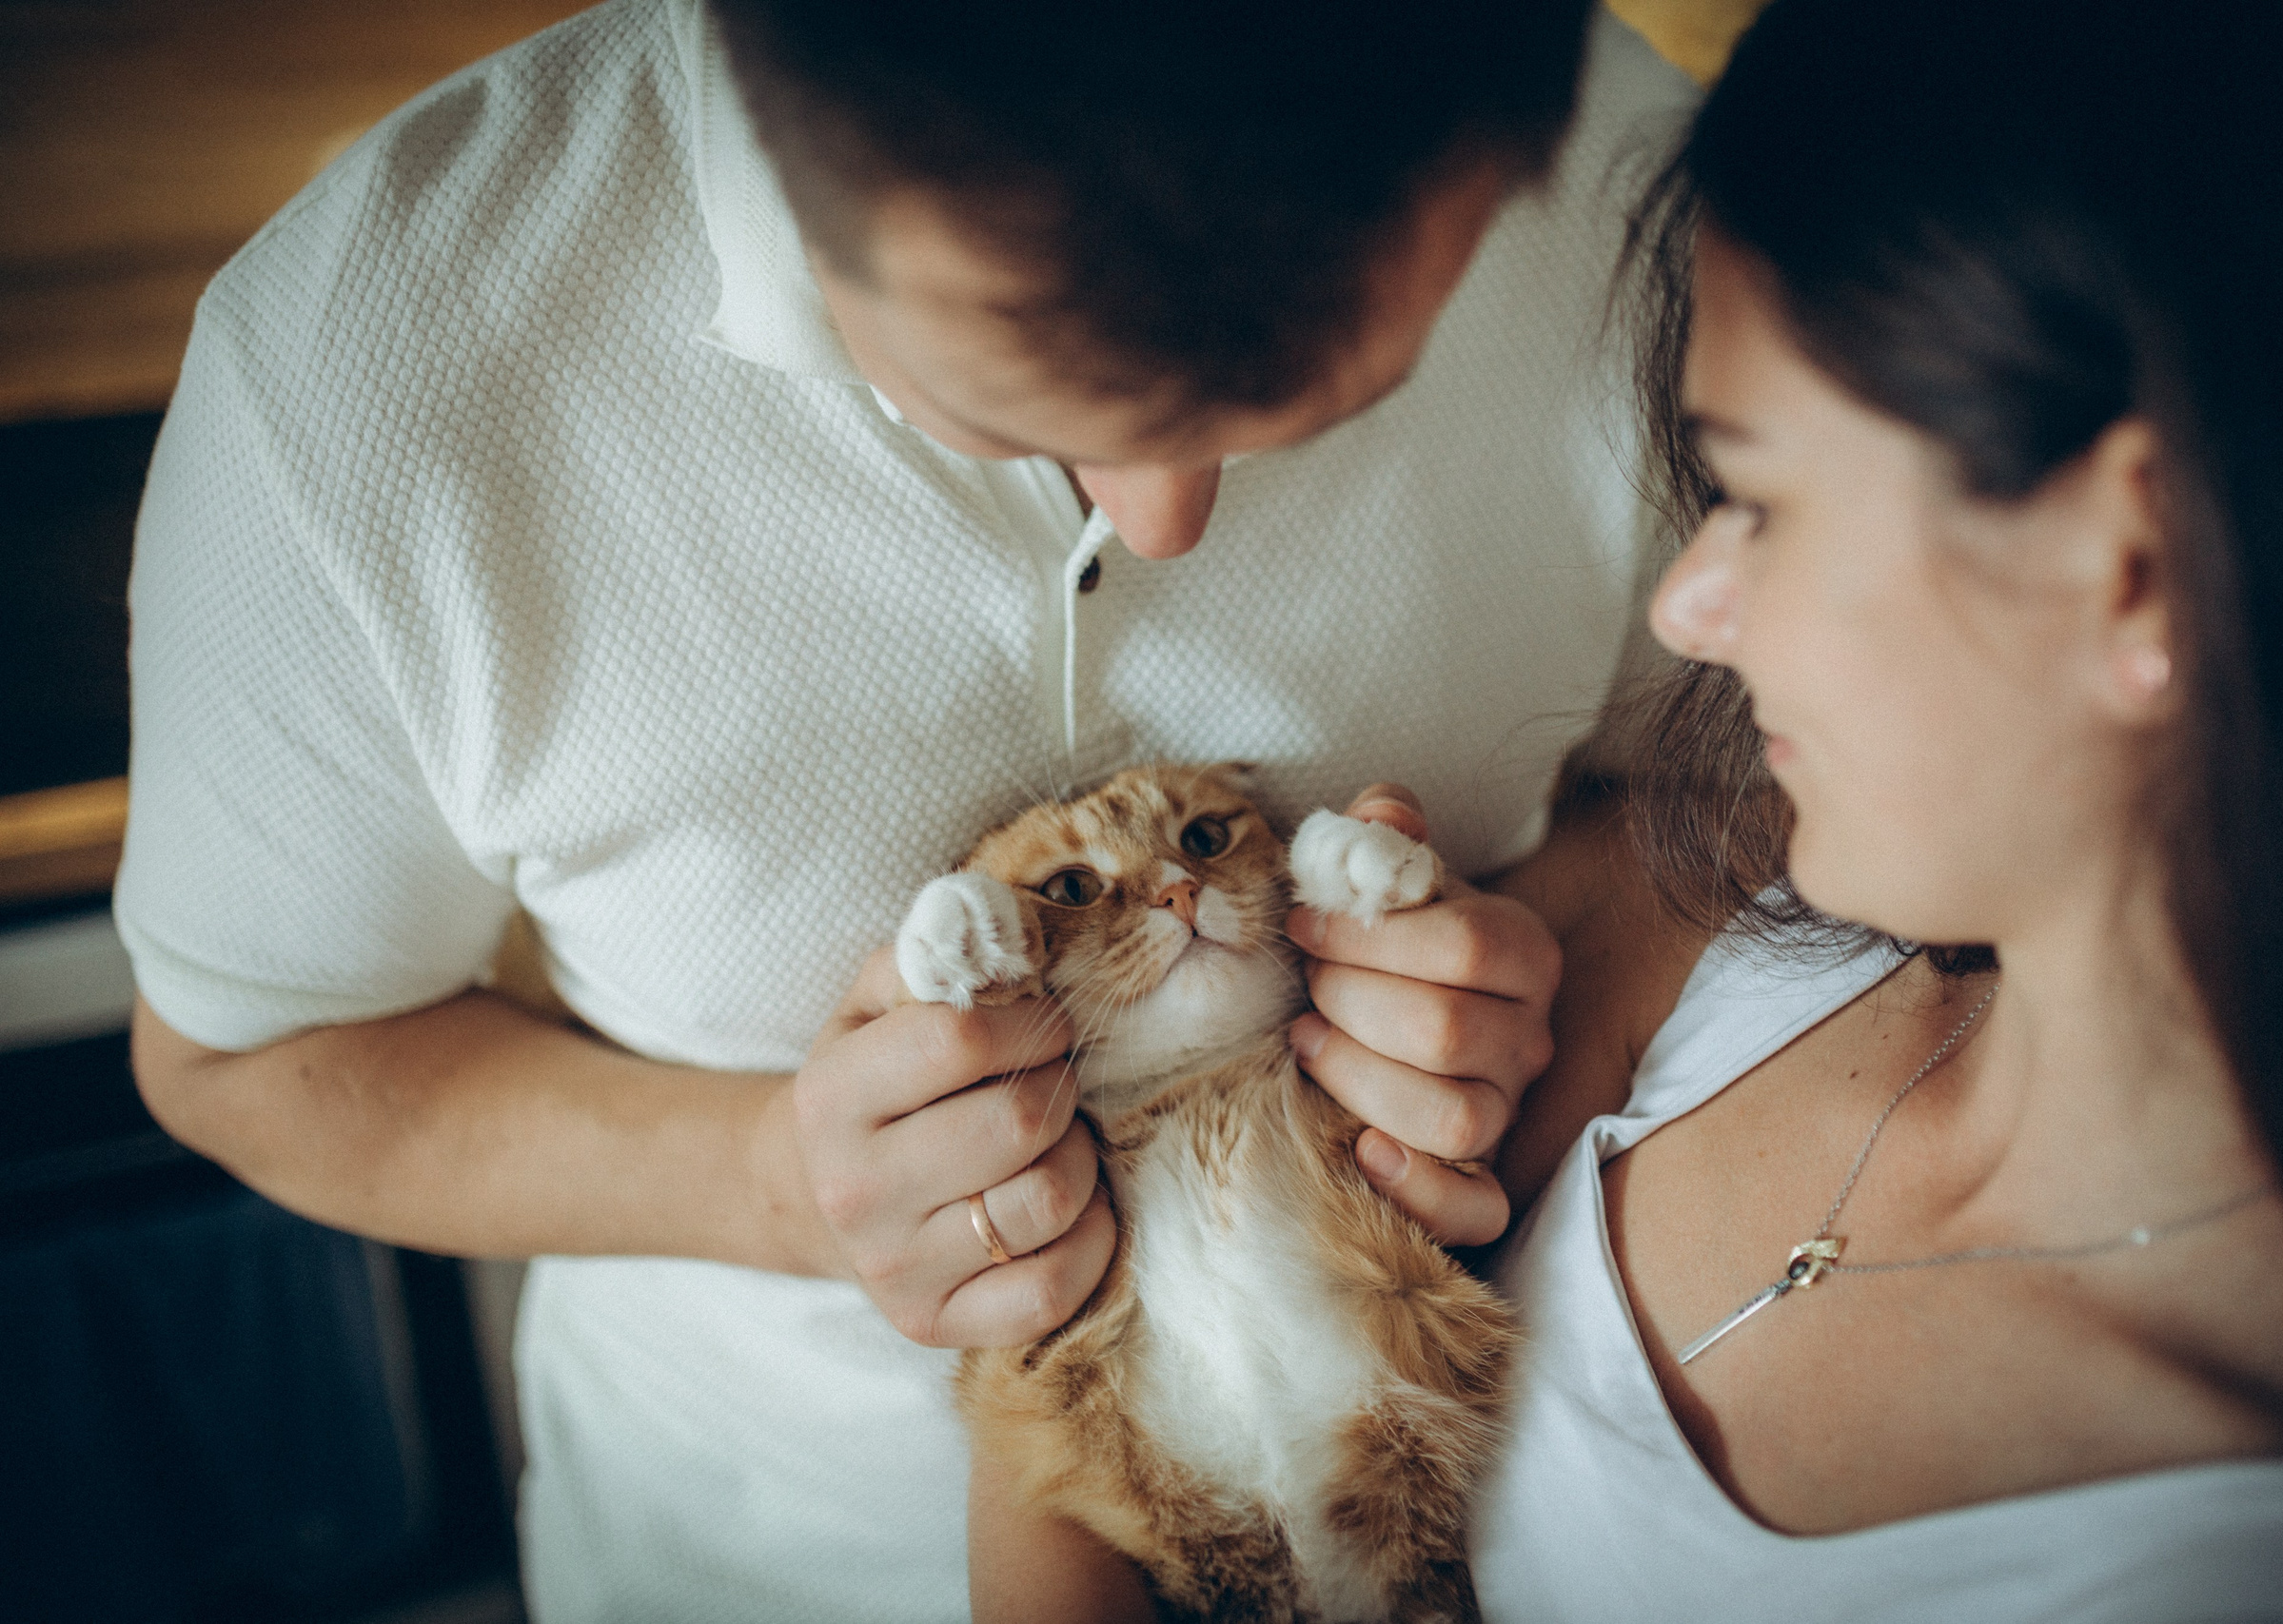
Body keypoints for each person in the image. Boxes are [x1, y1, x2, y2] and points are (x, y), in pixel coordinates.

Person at [112, 0, 1691, 1617]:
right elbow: (246, 1058)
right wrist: (767, 1181)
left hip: (1506, 1506)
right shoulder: (351, 377)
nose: (1165, 522)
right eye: (1014, 400)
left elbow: (1740, 785)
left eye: (1321, 398)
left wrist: (1557, 964)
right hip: (754, 1553)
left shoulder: (1632, 180)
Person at [1467, 0, 2283, 1616]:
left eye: (1759, 499)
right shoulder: (1748, 922)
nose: (1686, 611)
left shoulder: (2266, 1562)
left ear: (2135, 567)